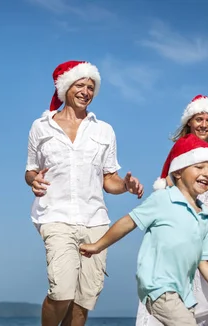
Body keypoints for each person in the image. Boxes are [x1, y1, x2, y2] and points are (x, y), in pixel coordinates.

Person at [25, 60, 145, 326]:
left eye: (91, 87)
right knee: (61, 292)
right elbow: (30, 170)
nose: (86, 91)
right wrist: (33, 181)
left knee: (84, 299)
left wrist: (125, 185)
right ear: (66, 87)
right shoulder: (41, 127)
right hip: (55, 216)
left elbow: (109, 180)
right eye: (80, 85)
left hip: (95, 221)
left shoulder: (104, 130)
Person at [80, 134, 208, 326]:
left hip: (183, 294)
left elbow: (204, 262)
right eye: (199, 167)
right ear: (178, 172)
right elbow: (128, 222)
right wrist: (98, 246)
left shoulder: (205, 217)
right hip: (158, 286)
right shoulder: (163, 199)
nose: (207, 173)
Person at [136, 94, 208, 326]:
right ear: (189, 122)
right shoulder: (181, 151)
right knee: (184, 287)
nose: (204, 124)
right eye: (199, 119)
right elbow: (173, 190)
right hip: (189, 225)